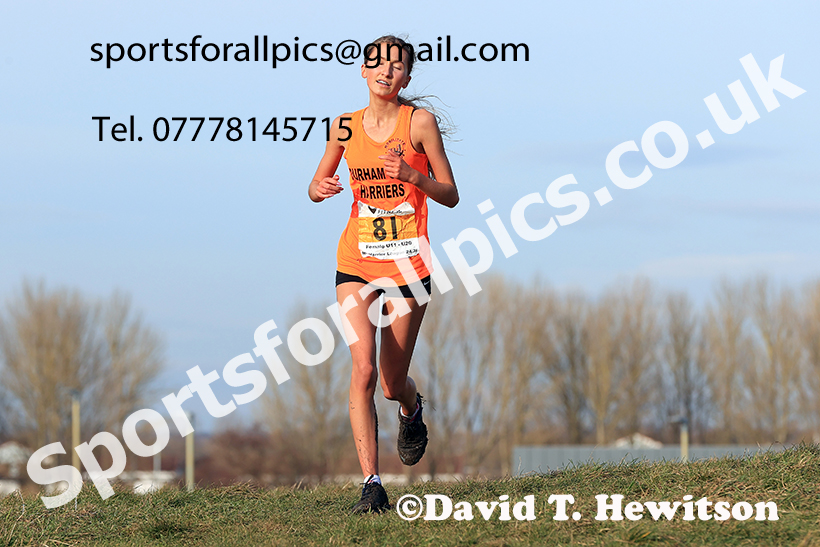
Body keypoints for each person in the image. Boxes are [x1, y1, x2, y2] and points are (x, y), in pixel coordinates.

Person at [308, 35, 458, 514]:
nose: (386, 71)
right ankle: (372, 484)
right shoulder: (344, 127)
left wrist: (414, 178)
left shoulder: (419, 123)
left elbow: (451, 193)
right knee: (363, 368)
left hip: (407, 266)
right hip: (355, 261)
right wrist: (320, 187)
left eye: (397, 66)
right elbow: (315, 183)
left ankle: (411, 410)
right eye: (377, 63)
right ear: (362, 70)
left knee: (392, 382)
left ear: (407, 78)